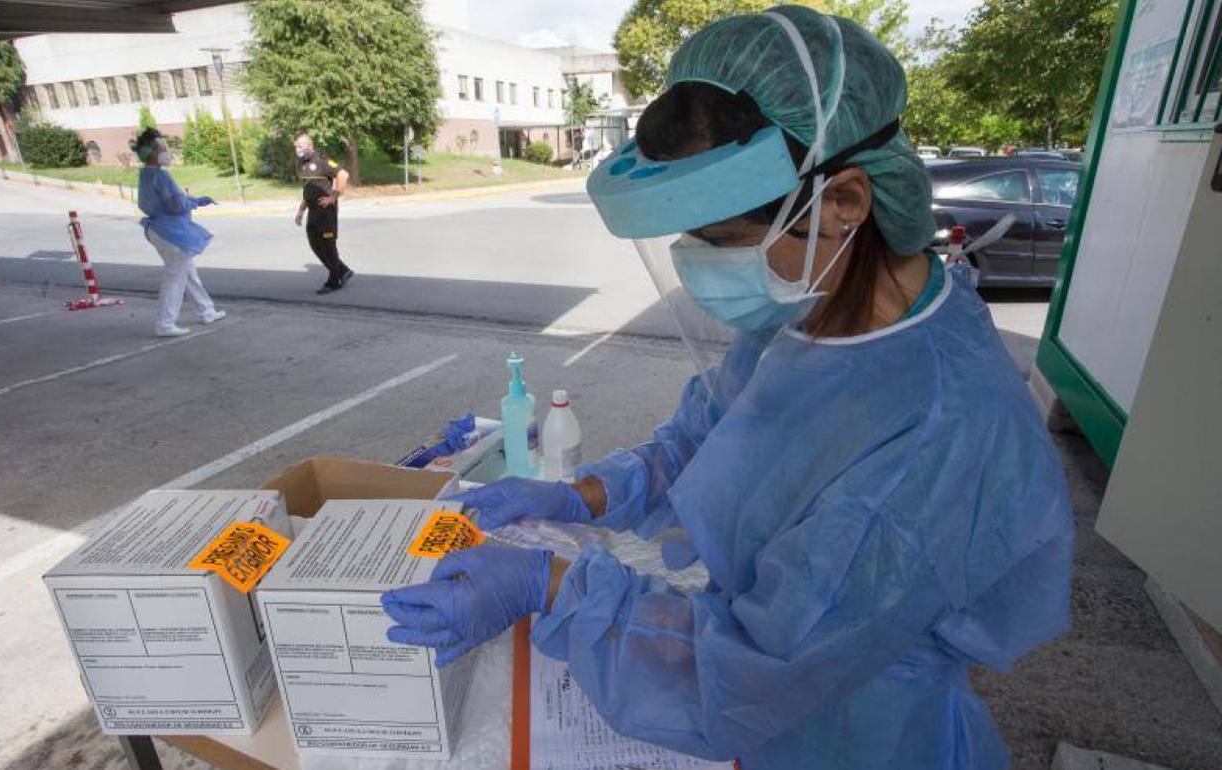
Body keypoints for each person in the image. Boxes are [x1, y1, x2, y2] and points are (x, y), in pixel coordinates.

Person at [381, 7, 1074, 770]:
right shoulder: (816, 305)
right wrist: (583, 495)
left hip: (862, 735)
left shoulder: (940, 428)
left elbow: (761, 666)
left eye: (721, 241)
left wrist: (548, 586)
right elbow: (712, 437)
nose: (698, 264)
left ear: (843, 201)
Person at [133, 128, 225, 337]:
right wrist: (194, 201)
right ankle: (165, 323)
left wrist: (189, 201)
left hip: (160, 229)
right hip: (171, 232)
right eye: (162, 148)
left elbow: (150, 204)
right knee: (175, 277)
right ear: (151, 153)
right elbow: (176, 205)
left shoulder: (146, 175)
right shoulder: (161, 176)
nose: (167, 152)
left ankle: (206, 310)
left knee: (188, 272)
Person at [294, 134, 354, 294]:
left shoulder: (322, 160)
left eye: (300, 146)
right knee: (315, 243)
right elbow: (308, 190)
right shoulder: (302, 164)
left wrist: (333, 196)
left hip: (326, 212)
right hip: (313, 212)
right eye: (296, 146)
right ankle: (342, 270)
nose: (297, 149)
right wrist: (301, 211)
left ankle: (335, 280)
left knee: (328, 245)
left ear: (310, 146)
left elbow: (343, 175)